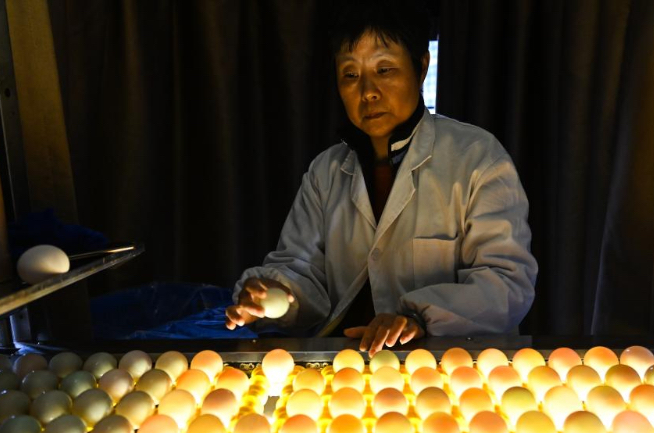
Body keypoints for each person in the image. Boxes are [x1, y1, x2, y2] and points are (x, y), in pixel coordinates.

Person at [225, 0, 537, 356]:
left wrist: (418, 317)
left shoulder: (478, 157)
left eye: (385, 69)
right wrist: (272, 295)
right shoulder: (325, 172)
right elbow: (301, 270)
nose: (368, 91)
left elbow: (507, 283)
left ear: (421, 68)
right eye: (351, 74)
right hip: (348, 367)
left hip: (450, 364)